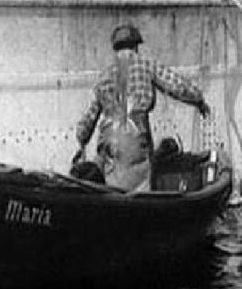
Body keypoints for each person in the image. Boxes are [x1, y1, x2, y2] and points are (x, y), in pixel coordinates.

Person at [74, 23, 210, 191]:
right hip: (133, 135)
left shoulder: (105, 75)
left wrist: (82, 139)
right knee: (138, 189)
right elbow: (176, 85)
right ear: (136, 46)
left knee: (113, 187)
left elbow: (89, 117)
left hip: (109, 138)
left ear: (115, 48)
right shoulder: (145, 65)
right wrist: (198, 99)